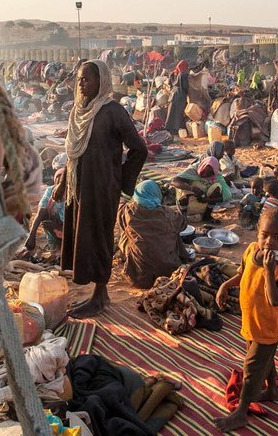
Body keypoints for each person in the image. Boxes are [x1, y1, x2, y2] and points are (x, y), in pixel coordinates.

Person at [56, 60, 147, 318]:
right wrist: (63, 182)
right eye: (79, 79)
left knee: (99, 237)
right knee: (84, 235)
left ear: (101, 82)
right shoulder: (79, 110)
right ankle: (100, 293)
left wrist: (120, 180)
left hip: (101, 186)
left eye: (87, 78)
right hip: (79, 185)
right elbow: (71, 152)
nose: (81, 82)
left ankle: (99, 296)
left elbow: (139, 149)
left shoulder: (112, 111)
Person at [213, 208, 278, 432]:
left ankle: (241, 411)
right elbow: (242, 274)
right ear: (257, 232)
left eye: (277, 238)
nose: (269, 242)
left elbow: (275, 300)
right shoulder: (250, 250)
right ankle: (272, 390)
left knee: (251, 367)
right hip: (250, 320)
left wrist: (269, 271)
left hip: (267, 327)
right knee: (263, 361)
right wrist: (224, 286)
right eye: (265, 235)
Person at [116, 181, 190, 289]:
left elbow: (122, 225)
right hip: (168, 274)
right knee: (174, 233)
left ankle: (128, 257)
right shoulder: (169, 214)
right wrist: (182, 209)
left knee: (128, 236)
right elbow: (183, 224)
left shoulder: (127, 211)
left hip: (140, 278)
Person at [171, 157, 231, 224]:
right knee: (184, 186)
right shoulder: (193, 169)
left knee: (217, 187)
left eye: (209, 174)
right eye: (204, 172)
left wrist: (208, 200)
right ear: (202, 166)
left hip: (202, 203)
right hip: (188, 202)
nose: (205, 175)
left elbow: (228, 195)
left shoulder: (217, 175)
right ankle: (183, 216)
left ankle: (207, 216)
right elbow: (174, 181)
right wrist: (192, 188)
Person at [23, 168, 66, 255]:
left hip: (71, 231)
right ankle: (56, 245)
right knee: (45, 218)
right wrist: (32, 235)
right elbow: (41, 213)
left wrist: (60, 227)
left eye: (62, 178)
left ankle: (66, 247)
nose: (59, 181)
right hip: (57, 229)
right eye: (57, 177)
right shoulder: (50, 190)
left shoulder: (73, 194)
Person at [165, 61, 191, 133]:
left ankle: (168, 128)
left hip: (173, 94)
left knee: (171, 112)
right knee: (178, 113)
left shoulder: (173, 73)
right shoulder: (183, 74)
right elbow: (185, 86)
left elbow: (169, 84)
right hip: (180, 95)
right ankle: (176, 129)